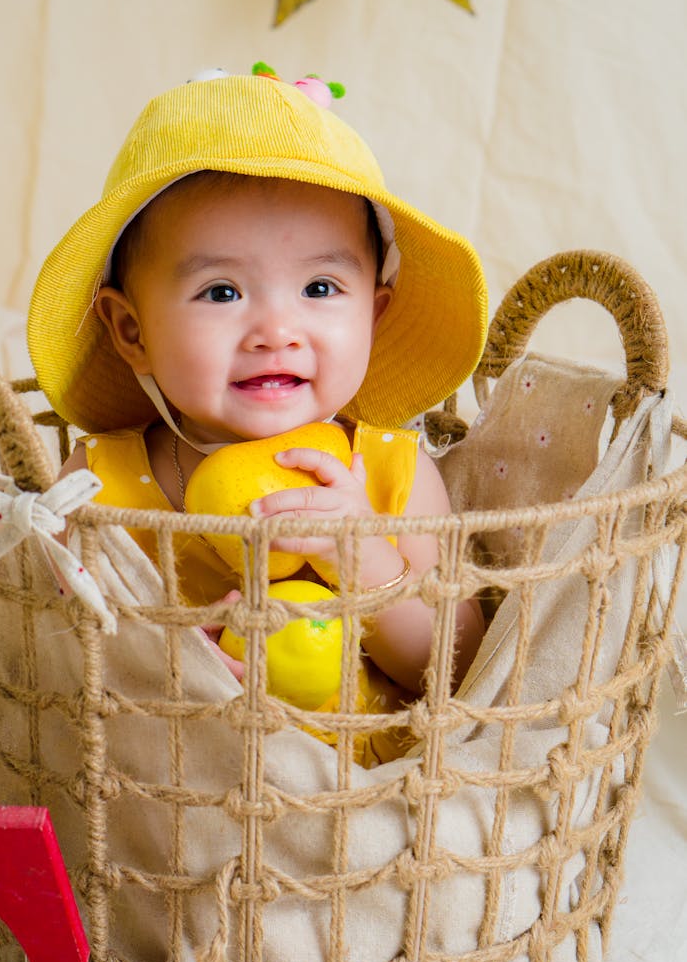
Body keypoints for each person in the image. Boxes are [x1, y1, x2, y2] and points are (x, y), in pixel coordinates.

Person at [27, 66, 488, 762]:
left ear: (373, 313)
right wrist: (164, 652)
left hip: (356, 797)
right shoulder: (99, 481)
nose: (276, 331)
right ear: (131, 330)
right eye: (221, 292)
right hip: (164, 787)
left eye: (320, 287)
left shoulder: (390, 470)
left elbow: (461, 670)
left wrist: (367, 562)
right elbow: (44, 655)